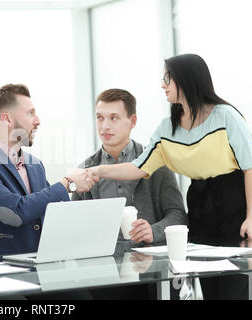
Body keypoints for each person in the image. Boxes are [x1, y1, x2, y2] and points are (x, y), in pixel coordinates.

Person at [90, 53, 252, 299]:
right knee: (209, 287)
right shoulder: (168, 127)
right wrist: (97, 170)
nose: (162, 84)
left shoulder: (226, 116)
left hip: (235, 203)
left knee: (235, 289)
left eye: (168, 78)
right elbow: (139, 167)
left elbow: (250, 166)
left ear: (187, 79)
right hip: (200, 204)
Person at [72, 88, 187, 299]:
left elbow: (178, 215)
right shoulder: (85, 170)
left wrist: (154, 230)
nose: (105, 125)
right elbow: (74, 229)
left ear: (132, 121)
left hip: (151, 273)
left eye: (114, 118)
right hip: (103, 274)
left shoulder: (155, 164)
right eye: (100, 118)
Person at [0, 84, 98, 258]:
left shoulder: (35, 165)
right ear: (7, 120)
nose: (38, 121)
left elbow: (50, 212)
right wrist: (68, 183)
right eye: (30, 113)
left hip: (38, 271)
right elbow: (14, 213)